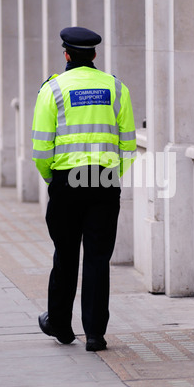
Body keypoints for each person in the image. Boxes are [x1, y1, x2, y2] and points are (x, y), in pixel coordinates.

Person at [32, 27, 136, 351]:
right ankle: (94, 334)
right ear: (94, 55)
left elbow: (40, 148)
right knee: (97, 258)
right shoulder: (116, 87)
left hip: (66, 181)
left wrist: (52, 179)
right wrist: (113, 175)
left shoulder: (53, 89)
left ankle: (60, 325)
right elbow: (129, 144)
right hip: (104, 181)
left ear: (66, 54)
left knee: (65, 255)